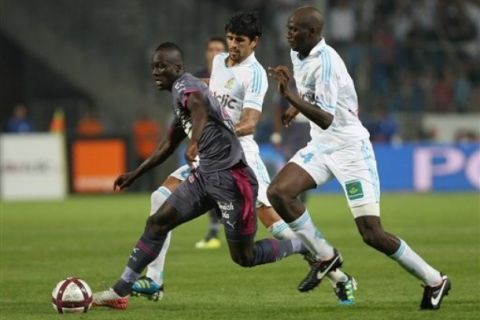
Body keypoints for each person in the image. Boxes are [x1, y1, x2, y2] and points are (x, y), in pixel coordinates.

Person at [130, 12, 356, 306]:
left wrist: (214, 134)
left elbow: (249, 122)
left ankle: (337, 274)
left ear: (255, 43)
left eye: (240, 40)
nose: (233, 45)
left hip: (241, 158)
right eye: (231, 38)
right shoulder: (219, 62)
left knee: (277, 227)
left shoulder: (256, 74)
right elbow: (211, 93)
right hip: (211, 157)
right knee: (160, 199)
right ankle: (155, 280)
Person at [92, 42, 308, 310]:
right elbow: (169, 144)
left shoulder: (185, 86)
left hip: (233, 179)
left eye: (161, 66)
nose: (156, 72)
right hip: (206, 175)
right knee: (157, 222)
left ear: (177, 68)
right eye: (153, 67)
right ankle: (120, 290)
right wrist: (135, 174)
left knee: (245, 256)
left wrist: (194, 142)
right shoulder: (178, 91)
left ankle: (300, 245)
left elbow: (199, 109)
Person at [267, 6, 450, 310]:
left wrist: (291, 97)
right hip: (321, 146)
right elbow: (316, 97)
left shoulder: (325, 61)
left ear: (313, 33)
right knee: (278, 192)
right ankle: (326, 255)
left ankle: (435, 280)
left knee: (372, 234)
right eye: (288, 28)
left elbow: (326, 117)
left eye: (295, 30)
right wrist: (295, 108)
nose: (289, 34)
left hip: (351, 149)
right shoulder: (299, 53)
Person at [193, 36, 227, 250]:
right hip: (204, 140)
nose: (214, 52)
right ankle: (214, 231)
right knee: (208, 184)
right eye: (211, 48)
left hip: (230, 140)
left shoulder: (231, 76)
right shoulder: (196, 77)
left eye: (218, 49)